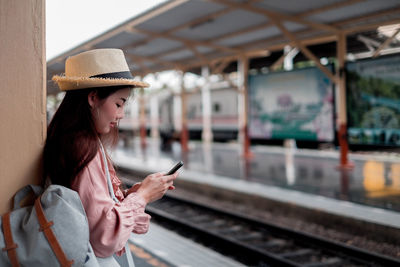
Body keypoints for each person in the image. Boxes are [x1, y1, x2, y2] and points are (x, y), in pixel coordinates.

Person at [43, 48, 178, 266]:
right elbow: (104, 237)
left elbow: (87, 209)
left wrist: (131, 194)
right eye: (119, 103)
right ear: (93, 97)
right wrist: (142, 196)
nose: (121, 114)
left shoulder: (69, 140)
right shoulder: (83, 149)